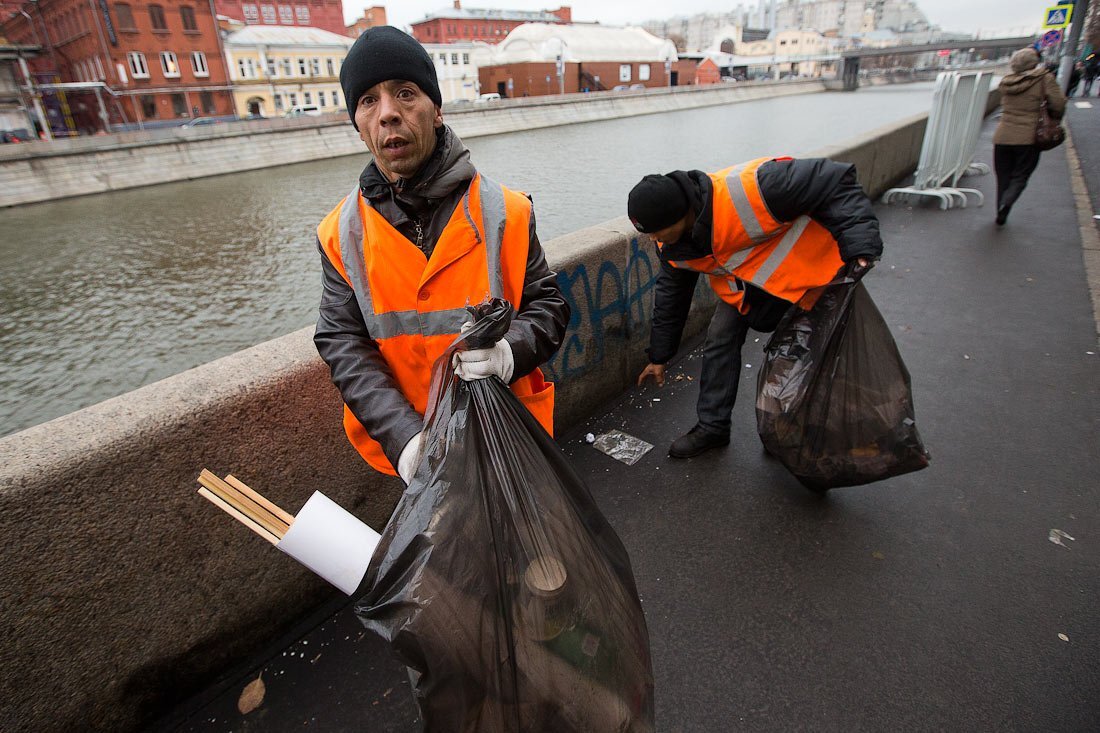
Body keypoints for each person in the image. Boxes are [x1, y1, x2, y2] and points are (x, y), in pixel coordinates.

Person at [314, 26, 569, 482]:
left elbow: (548, 305)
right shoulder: (339, 234)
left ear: (436, 110)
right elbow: (342, 341)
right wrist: (404, 438)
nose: (388, 113)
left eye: (405, 93)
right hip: (417, 458)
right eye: (368, 101)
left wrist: (508, 353)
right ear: (357, 124)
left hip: (511, 441)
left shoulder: (506, 212)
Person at [629, 157, 883, 458]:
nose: (654, 239)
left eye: (658, 230)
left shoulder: (758, 187)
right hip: (749, 289)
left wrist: (861, 246)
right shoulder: (671, 246)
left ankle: (787, 432)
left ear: (681, 214)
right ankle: (713, 427)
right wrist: (659, 356)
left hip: (810, 279)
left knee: (800, 357)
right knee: (720, 337)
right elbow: (671, 297)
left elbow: (836, 179)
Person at [993, 48, 1067, 226]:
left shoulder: (1006, 82)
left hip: (1003, 136)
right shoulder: (1044, 79)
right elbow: (1058, 104)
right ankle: (1007, 202)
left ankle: (1001, 210)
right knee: (1021, 174)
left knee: (1003, 175)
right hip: (1028, 137)